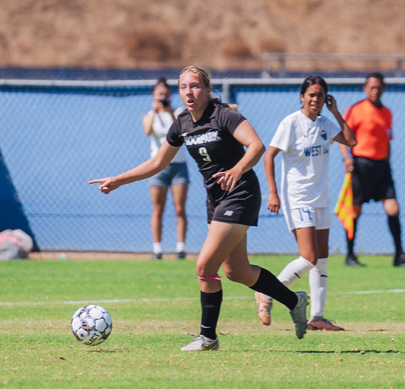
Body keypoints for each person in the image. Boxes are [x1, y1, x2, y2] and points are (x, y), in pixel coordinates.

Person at [90, 65, 309, 351]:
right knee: (237, 272)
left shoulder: (224, 116)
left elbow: (256, 146)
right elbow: (157, 163)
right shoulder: (181, 123)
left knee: (205, 266)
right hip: (215, 199)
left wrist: (237, 169)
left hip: (240, 193)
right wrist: (119, 180)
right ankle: (295, 301)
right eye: (183, 87)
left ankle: (208, 337)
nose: (188, 92)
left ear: (207, 89)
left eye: (194, 86)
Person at [256, 76, 357, 331]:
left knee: (321, 259)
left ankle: (318, 317)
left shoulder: (326, 123)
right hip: (297, 198)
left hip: (320, 200)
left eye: (320, 95)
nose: (315, 99)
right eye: (311, 94)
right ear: (302, 96)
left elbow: (352, 141)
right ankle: (266, 292)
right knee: (309, 257)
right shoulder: (291, 123)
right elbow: (269, 156)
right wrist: (273, 193)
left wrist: (335, 112)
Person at [338, 72, 405, 268]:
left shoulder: (387, 112)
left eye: (378, 87)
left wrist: (387, 163)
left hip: (382, 167)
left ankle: (399, 255)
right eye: (371, 87)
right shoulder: (356, 109)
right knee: (355, 211)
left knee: (393, 208)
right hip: (360, 165)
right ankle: (350, 255)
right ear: (365, 88)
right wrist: (346, 157)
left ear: (383, 89)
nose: (375, 91)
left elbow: (387, 140)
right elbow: (343, 135)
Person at [142, 77, 189, 260]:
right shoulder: (148, 115)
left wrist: (168, 111)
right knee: (158, 209)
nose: (163, 98)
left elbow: (181, 129)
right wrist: (155, 111)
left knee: (179, 209)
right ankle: (157, 249)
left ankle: (180, 248)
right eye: (160, 95)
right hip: (157, 166)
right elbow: (147, 131)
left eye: (166, 95)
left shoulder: (178, 112)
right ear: (154, 95)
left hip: (179, 165)